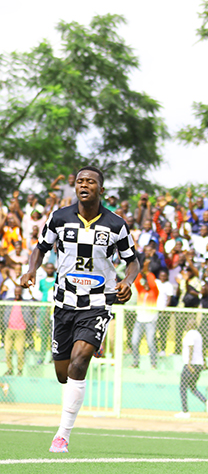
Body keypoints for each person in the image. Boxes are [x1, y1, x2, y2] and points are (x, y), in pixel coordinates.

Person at [21, 166, 139, 453]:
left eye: (91, 181)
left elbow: (133, 260)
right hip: (64, 303)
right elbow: (40, 247)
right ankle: (71, 392)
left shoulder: (116, 225)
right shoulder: (59, 217)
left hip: (98, 303)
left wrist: (127, 280)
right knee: (64, 373)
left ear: (101, 189)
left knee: (80, 359)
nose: (84, 185)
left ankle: (62, 435)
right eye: (80, 181)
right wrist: (30, 269)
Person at [175, 317, 208, 418]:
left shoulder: (190, 334)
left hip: (191, 364)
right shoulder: (198, 334)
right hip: (199, 364)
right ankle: (206, 401)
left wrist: (189, 364)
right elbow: (201, 350)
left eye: (188, 323)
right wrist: (204, 362)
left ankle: (185, 411)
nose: (186, 324)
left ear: (190, 325)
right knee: (192, 387)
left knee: (182, 387)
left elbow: (191, 348)